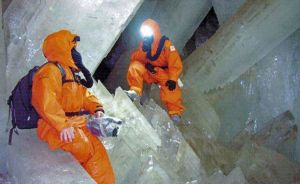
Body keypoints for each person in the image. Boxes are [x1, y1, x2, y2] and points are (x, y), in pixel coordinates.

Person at [32, 30, 115, 183]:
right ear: (62, 49)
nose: (76, 52)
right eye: (72, 48)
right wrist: (62, 125)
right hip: (54, 128)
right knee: (86, 149)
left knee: (100, 157)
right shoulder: (50, 71)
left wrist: (97, 109)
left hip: (76, 126)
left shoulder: (72, 76)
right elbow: (45, 99)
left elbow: (84, 96)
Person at [126, 19, 185, 123]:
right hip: (149, 72)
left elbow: (175, 62)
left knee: (171, 89)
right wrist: (143, 51)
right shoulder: (144, 44)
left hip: (163, 74)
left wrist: (172, 78)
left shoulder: (166, 45)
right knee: (134, 66)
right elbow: (136, 58)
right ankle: (135, 91)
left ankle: (175, 113)